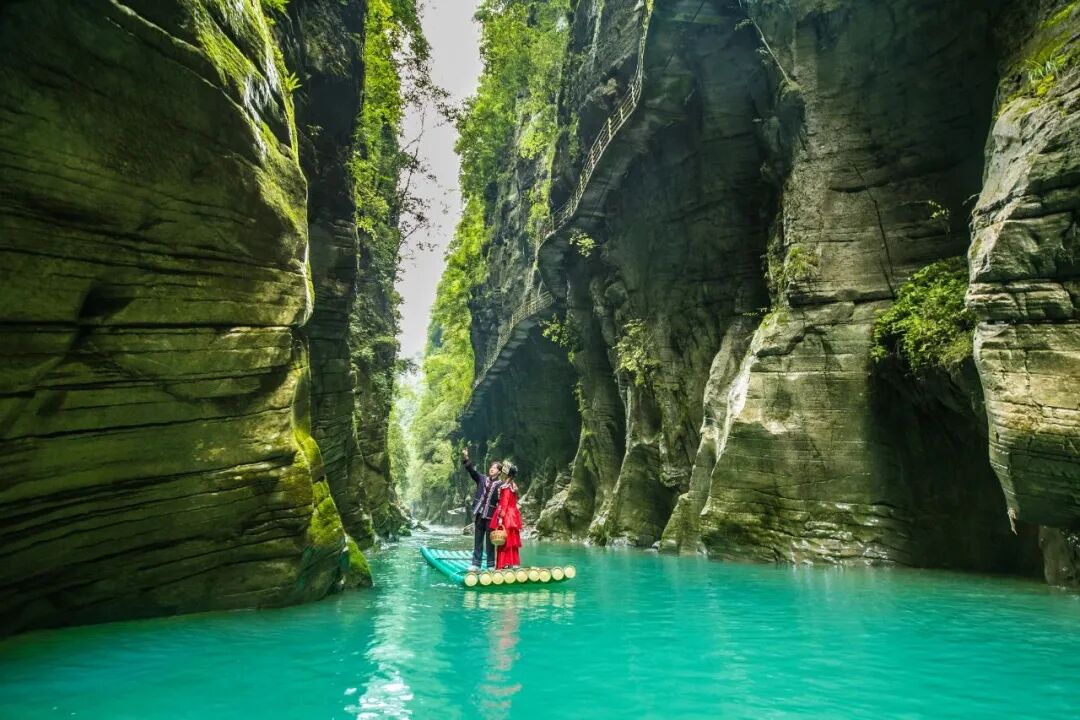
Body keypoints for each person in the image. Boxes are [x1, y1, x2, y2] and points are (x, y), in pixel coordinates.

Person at [462, 447, 502, 571]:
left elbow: (502, 501)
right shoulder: (482, 478)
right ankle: (476, 564)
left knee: (490, 541)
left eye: (495, 468)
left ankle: (490, 565)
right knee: (478, 540)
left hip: (491, 516)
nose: (492, 469)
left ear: (499, 472)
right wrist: (466, 457)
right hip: (479, 514)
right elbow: (472, 471)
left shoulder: (501, 485)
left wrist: (501, 517)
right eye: (491, 467)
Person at [490, 464, 522, 569]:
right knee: (511, 540)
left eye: (503, 473)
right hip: (513, 515)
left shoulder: (506, 486)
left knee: (504, 540)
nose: (502, 475)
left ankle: (502, 564)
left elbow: (504, 502)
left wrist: (500, 518)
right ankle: (511, 563)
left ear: (507, 474)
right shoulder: (513, 485)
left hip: (507, 515)